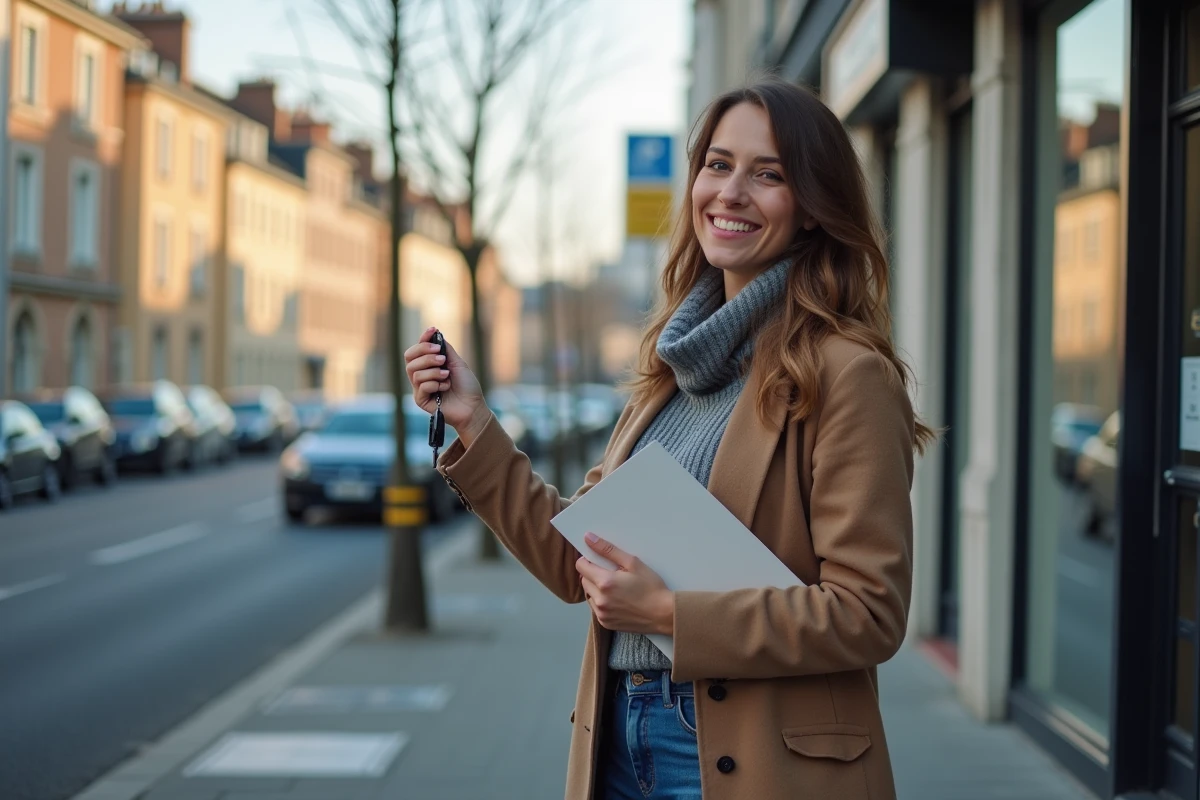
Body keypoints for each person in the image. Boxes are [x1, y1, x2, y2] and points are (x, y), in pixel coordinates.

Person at [405, 77, 934, 800]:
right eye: (717, 165)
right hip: (620, 737)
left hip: (758, 758)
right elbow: (575, 562)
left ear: (813, 208)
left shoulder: (846, 372)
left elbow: (868, 614)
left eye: (769, 174)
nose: (732, 192)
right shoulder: (672, 368)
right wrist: (474, 423)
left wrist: (668, 612)